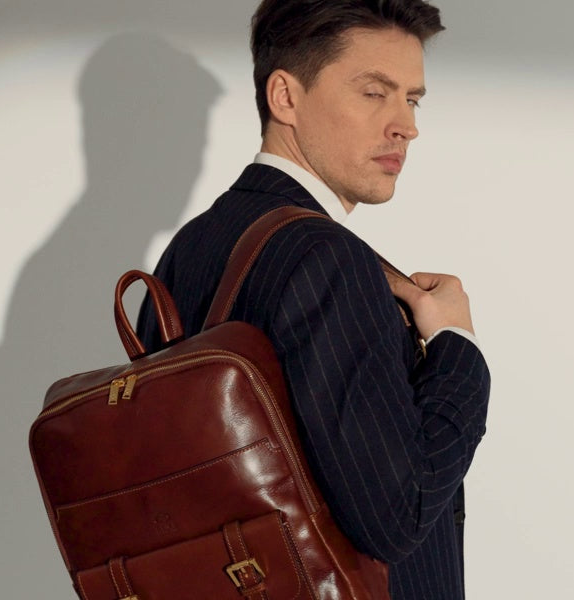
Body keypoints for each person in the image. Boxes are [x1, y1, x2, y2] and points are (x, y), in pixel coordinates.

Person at [137, 1, 490, 597]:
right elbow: (397, 516)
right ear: (285, 97)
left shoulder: (190, 247)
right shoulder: (329, 259)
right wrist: (458, 348)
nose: (406, 125)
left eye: (413, 99)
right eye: (374, 93)